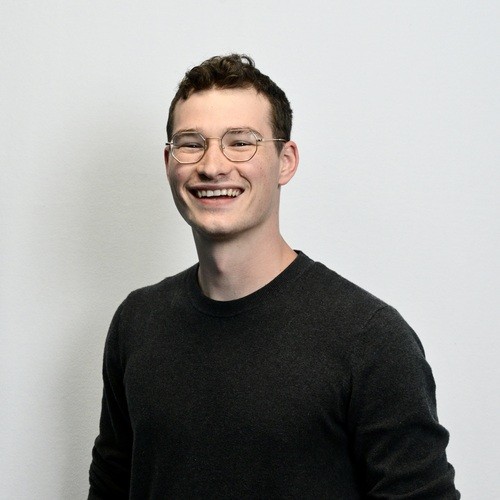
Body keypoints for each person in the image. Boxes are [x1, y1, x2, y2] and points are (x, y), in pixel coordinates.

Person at [88, 54, 459, 498]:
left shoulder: (370, 339)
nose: (213, 165)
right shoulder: (136, 322)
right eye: (191, 143)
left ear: (286, 161)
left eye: (240, 142)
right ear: (169, 161)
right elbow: (109, 487)